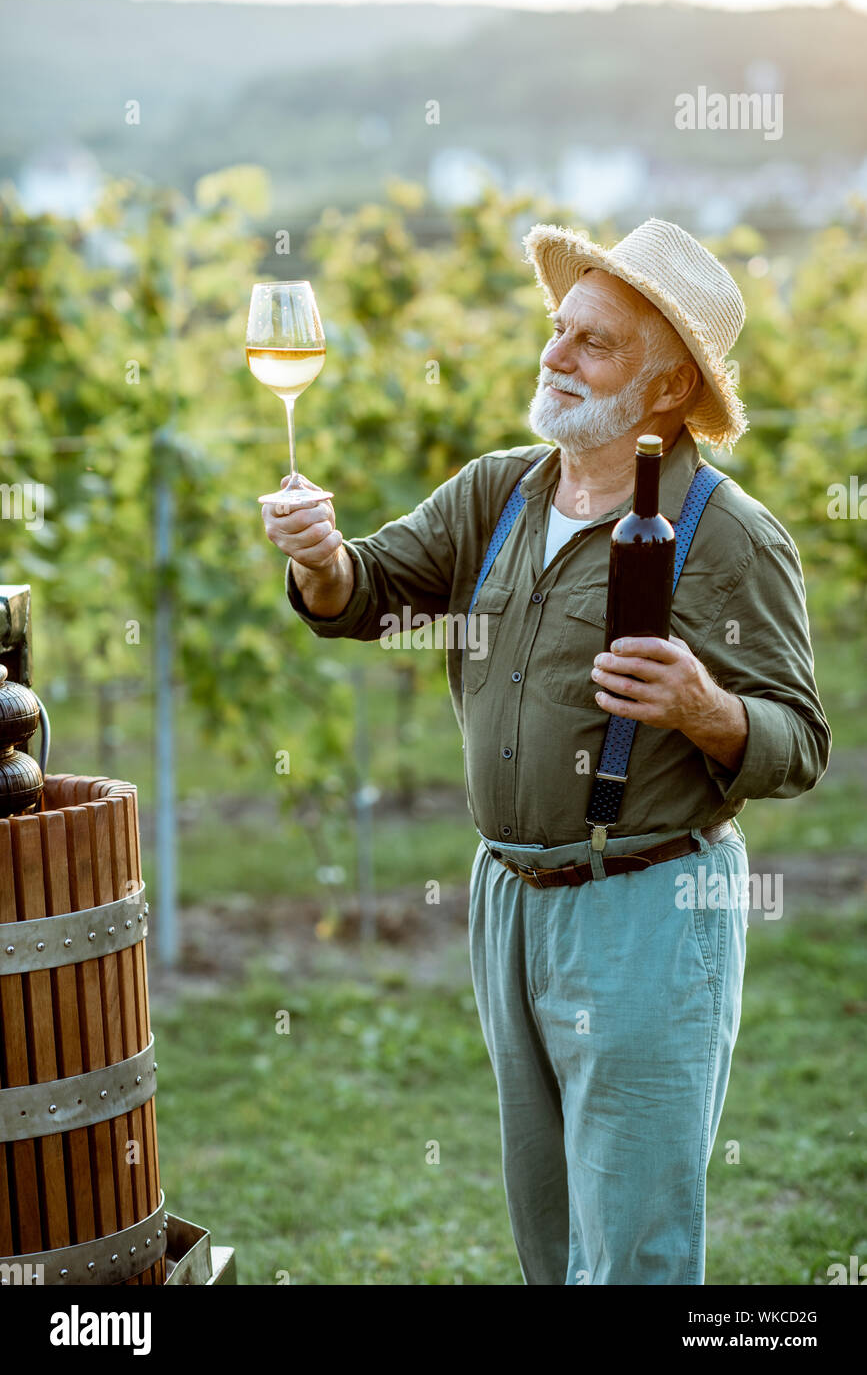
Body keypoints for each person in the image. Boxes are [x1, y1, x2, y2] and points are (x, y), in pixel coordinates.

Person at [262, 218, 831, 1285]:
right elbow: (368, 594)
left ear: (665, 389)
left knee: (633, 1244)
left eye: (594, 342)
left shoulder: (730, 537)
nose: (555, 356)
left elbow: (800, 744)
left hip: (647, 905)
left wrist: (709, 709)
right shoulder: (503, 492)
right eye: (557, 330)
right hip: (508, 899)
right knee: (551, 1228)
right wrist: (324, 560)